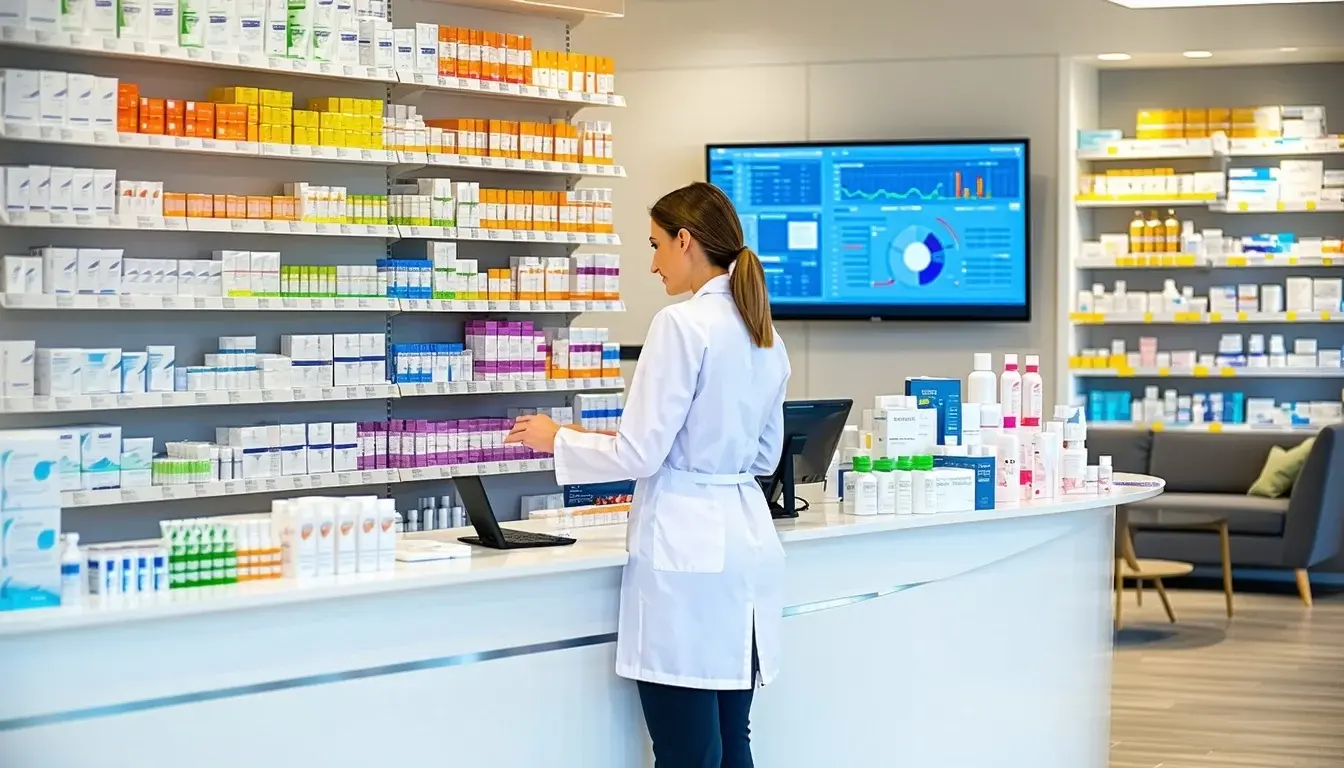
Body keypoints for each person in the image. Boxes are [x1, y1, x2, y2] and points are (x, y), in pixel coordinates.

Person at [505, 181, 790, 768]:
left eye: (657, 244)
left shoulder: (680, 324)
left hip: (686, 559)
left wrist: (558, 438)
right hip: (745, 546)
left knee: (686, 754)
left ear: (686, 241)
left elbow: (640, 456)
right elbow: (762, 458)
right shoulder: (764, 333)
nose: (652, 262)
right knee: (731, 743)